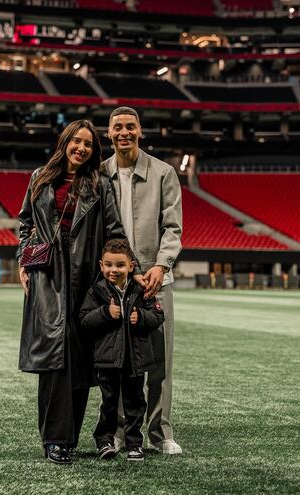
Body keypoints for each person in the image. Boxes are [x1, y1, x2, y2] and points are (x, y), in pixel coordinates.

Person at [17, 119, 126, 465]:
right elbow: (25, 224)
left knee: (79, 361)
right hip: (48, 277)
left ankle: (69, 438)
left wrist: (120, 270)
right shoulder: (39, 178)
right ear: (65, 142)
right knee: (54, 361)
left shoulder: (100, 185)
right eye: (76, 142)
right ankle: (54, 439)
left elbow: (114, 230)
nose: (81, 148)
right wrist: (24, 260)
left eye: (89, 145)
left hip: (85, 278)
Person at [101, 106, 183, 454]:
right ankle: (120, 432)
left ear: (140, 131)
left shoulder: (163, 172)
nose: (124, 133)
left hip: (154, 280)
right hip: (116, 281)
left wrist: (161, 266)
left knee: (160, 362)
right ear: (109, 133)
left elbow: (173, 227)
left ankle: (160, 432)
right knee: (119, 360)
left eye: (130, 127)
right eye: (117, 127)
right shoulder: (99, 174)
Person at [80, 239, 164, 462]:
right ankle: (104, 440)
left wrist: (141, 318)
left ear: (131, 266)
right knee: (109, 402)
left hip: (135, 360)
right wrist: (105, 313)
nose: (113, 270)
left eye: (119, 265)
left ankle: (134, 444)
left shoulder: (141, 289)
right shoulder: (96, 291)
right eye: (108, 265)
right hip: (107, 359)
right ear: (101, 265)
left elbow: (158, 315)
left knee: (135, 403)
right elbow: (84, 320)